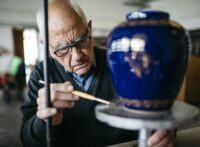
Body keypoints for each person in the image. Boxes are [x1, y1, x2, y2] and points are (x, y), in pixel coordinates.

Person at [20, 0, 175, 147]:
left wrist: (164, 131)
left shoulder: (121, 63)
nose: (77, 56)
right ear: (47, 46)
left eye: (81, 40)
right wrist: (45, 122)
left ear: (90, 28)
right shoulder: (42, 75)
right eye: (62, 48)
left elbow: (157, 109)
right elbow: (28, 142)